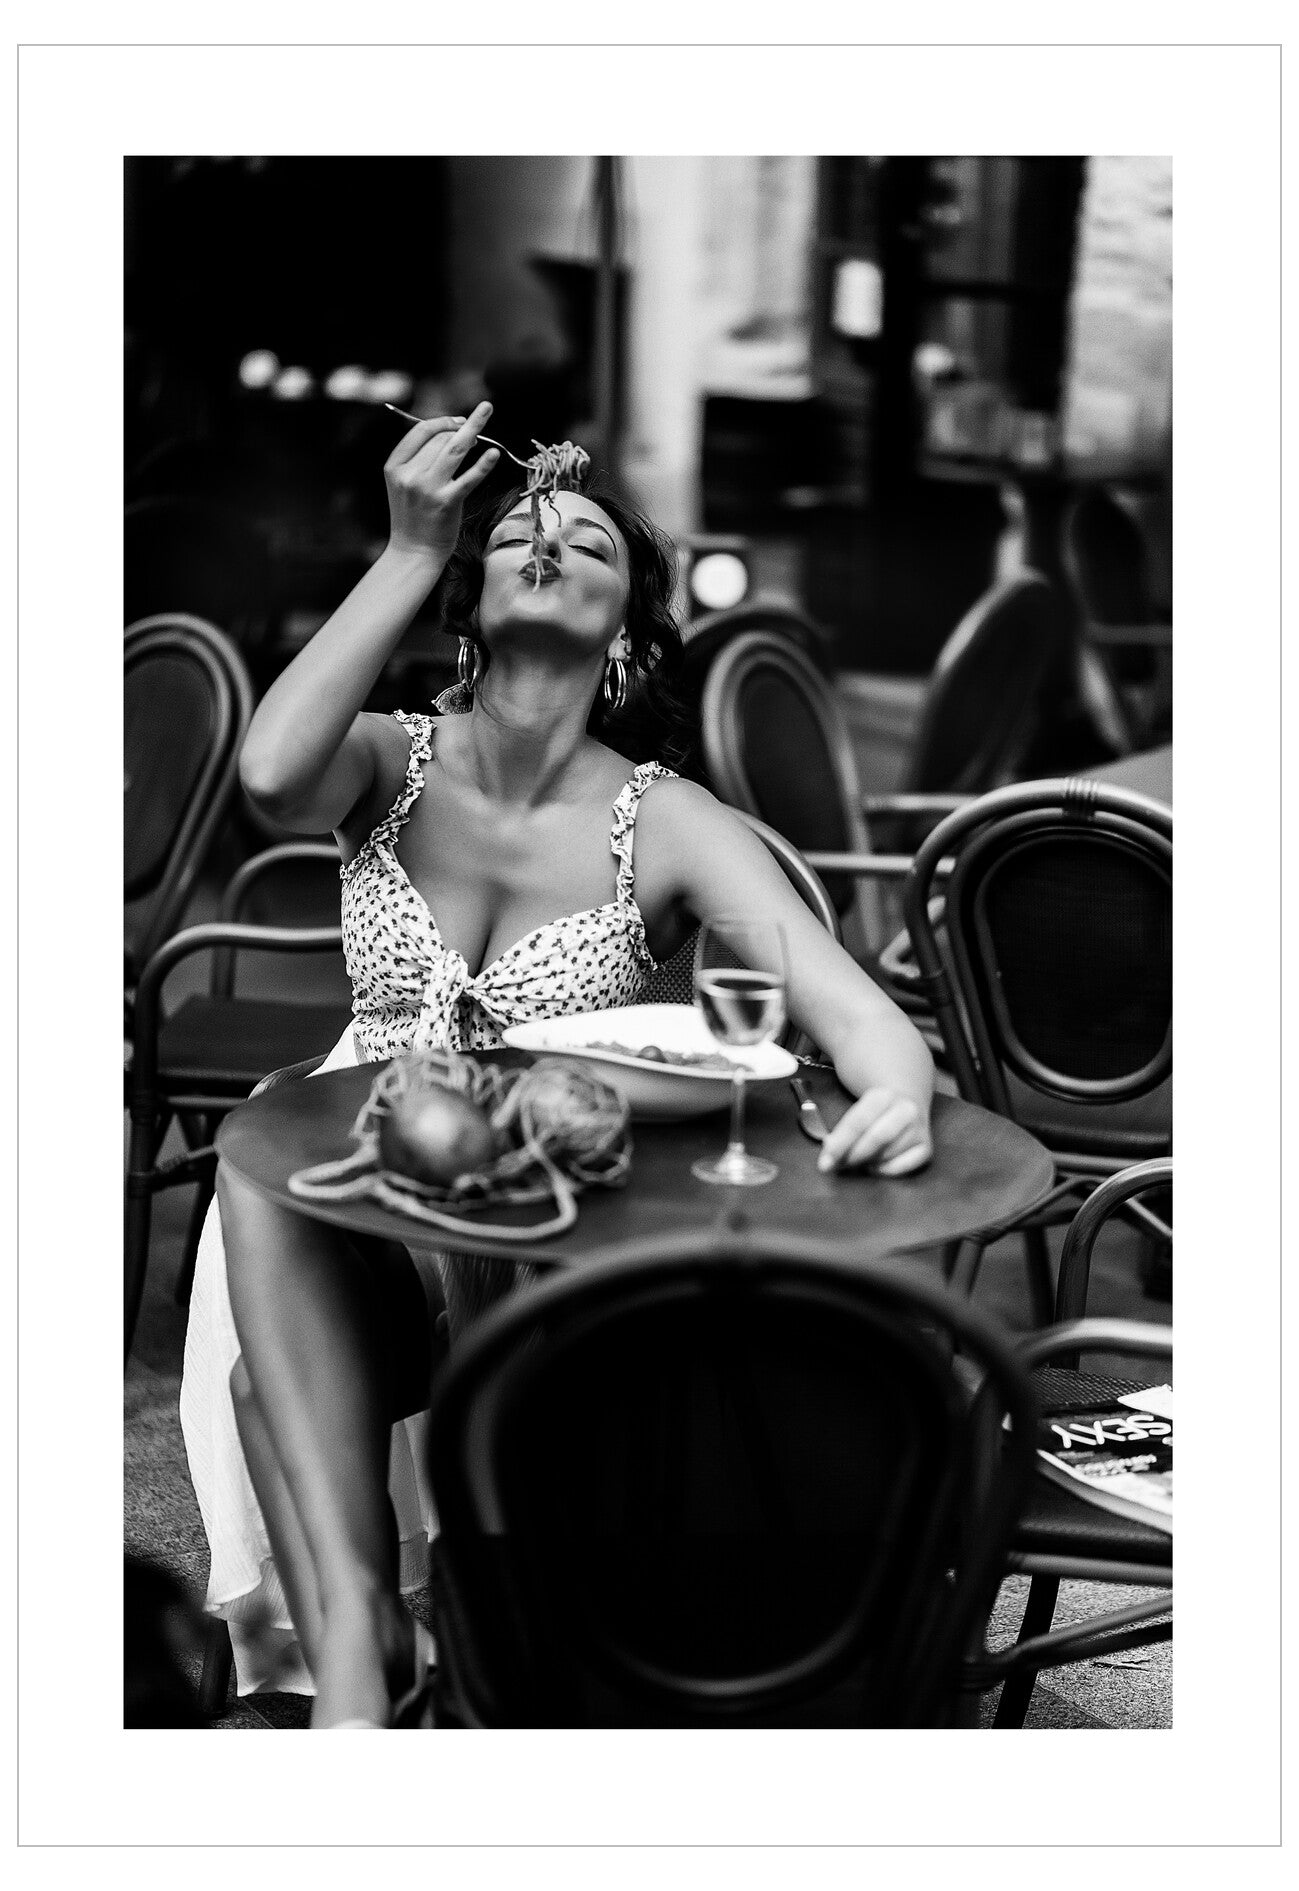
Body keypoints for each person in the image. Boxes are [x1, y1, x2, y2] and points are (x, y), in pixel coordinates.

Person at [182, 402, 935, 1728]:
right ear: (470, 603)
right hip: (345, 1185)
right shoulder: (387, 760)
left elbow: (855, 1015)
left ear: (629, 627)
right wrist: (412, 549)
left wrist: (901, 1092)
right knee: (278, 1146)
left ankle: (373, 1689)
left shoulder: (672, 818)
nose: (549, 538)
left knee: (270, 1348)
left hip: (538, 1208)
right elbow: (265, 770)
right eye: (520, 530)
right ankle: (366, 1675)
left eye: (588, 540)